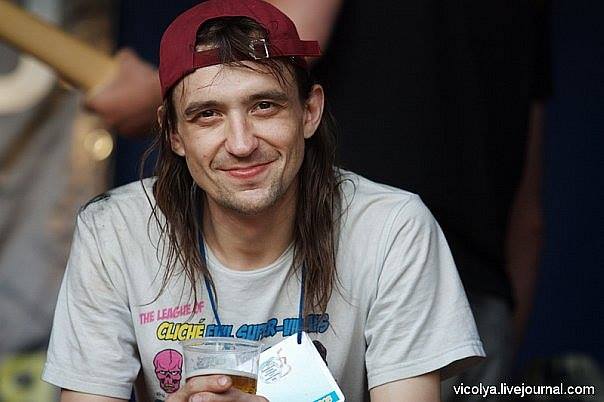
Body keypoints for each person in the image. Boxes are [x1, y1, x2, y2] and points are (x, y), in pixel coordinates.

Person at [43, 0, 485, 401]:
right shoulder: (114, 230)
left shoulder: (390, 228)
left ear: (309, 112)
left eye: (264, 106)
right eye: (208, 114)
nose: (241, 144)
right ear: (174, 133)